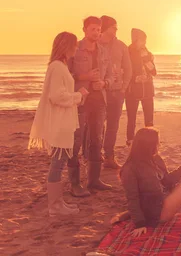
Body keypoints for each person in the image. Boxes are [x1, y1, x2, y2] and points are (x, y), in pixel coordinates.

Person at [29, 32, 89, 215]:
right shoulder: (57, 67)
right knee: (58, 162)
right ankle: (55, 205)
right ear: (66, 46)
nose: (77, 48)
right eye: (74, 45)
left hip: (64, 120)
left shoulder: (59, 66)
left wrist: (78, 96)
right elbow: (56, 96)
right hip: (60, 122)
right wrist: (79, 95)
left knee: (59, 161)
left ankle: (57, 202)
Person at [119, 128, 181, 237]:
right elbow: (132, 198)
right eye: (157, 143)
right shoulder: (130, 169)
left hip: (164, 197)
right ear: (149, 145)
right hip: (155, 213)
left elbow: (167, 180)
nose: (159, 145)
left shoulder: (155, 158)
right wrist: (139, 223)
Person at [68, 16, 114, 195]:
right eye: (93, 29)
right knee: (76, 140)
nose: (96, 32)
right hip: (80, 100)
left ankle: (94, 180)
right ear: (85, 30)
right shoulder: (75, 50)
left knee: (97, 139)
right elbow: (66, 75)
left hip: (99, 100)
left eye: (98, 29)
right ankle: (75, 184)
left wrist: (104, 84)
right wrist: (85, 77)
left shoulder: (103, 51)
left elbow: (111, 75)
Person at [99, 15, 132, 169]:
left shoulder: (121, 46)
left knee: (113, 125)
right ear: (106, 28)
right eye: (114, 27)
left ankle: (109, 156)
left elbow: (128, 68)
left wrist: (124, 88)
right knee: (97, 125)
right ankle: (93, 155)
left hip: (117, 92)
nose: (116, 30)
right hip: (99, 92)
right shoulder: (95, 44)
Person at [125, 28, 156, 146]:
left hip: (147, 90)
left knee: (149, 117)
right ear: (136, 39)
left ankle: (151, 141)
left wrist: (146, 59)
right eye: (142, 40)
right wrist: (134, 79)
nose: (144, 43)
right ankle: (130, 140)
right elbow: (125, 71)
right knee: (131, 118)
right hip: (132, 91)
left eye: (145, 41)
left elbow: (153, 72)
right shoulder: (127, 52)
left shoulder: (147, 54)